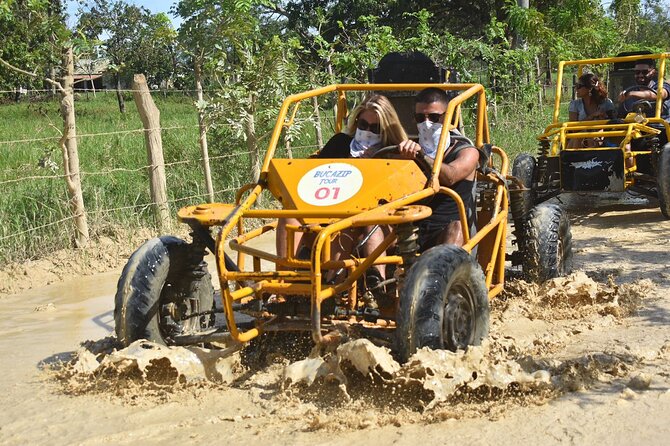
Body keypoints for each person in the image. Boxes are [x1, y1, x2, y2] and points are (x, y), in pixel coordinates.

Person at [276, 95, 408, 283]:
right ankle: (284, 283)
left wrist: (376, 163)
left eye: (375, 128)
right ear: (356, 122)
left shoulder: (394, 153)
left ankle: (349, 288)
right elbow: (315, 173)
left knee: (348, 228)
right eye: (363, 124)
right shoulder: (341, 143)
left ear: (386, 129)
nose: (367, 131)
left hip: (373, 220)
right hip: (330, 212)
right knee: (289, 213)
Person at [396, 87, 480, 249]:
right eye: (420, 117)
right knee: (373, 225)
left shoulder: (466, 151)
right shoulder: (407, 149)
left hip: (445, 230)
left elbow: (450, 176)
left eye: (434, 117)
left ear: (448, 117)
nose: (426, 123)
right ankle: (372, 274)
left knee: (457, 228)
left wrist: (421, 156)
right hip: (408, 227)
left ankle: (443, 272)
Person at [567, 73, 615, 148]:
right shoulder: (575, 104)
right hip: (578, 139)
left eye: (579, 86)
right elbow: (573, 129)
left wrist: (603, 120)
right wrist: (592, 116)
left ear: (589, 88)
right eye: (576, 86)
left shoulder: (606, 103)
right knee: (581, 135)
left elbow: (613, 125)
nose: (576, 89)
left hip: (600, 137)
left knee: (592, 137)